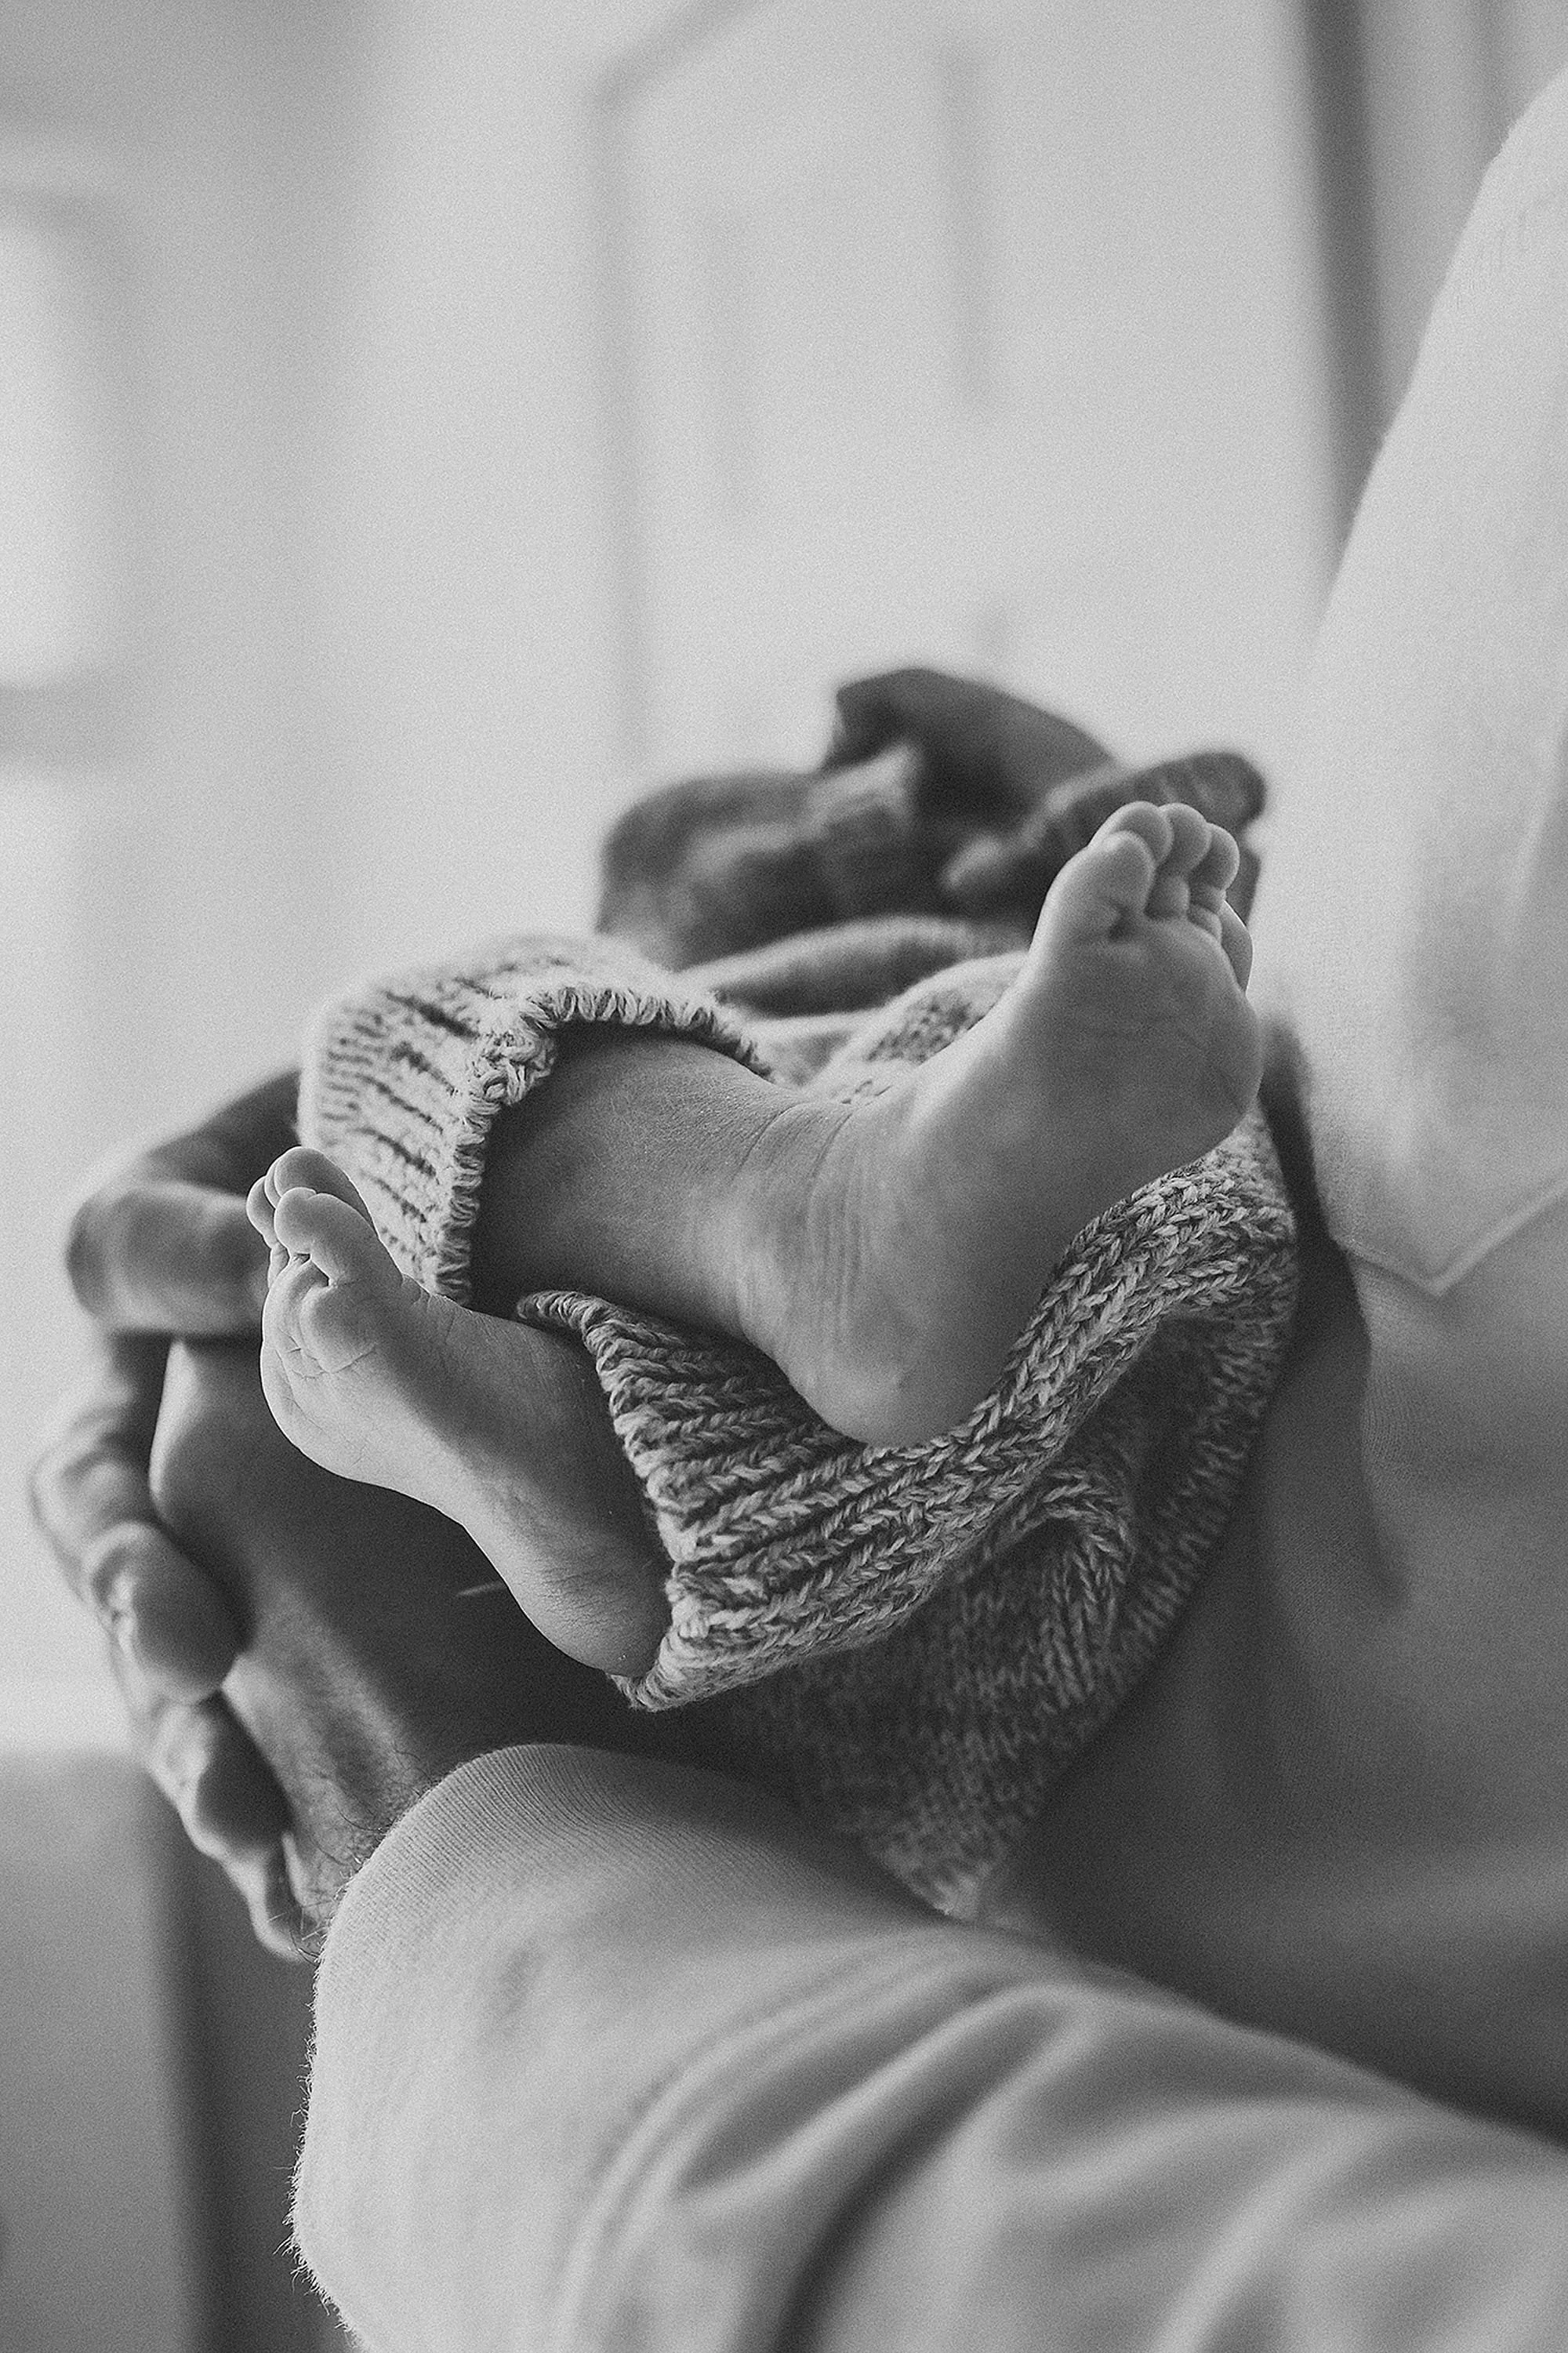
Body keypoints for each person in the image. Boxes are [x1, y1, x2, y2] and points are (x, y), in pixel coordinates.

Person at [32, 52, 1568, 2348]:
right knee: (1016, 1192)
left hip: (922, 1694)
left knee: (407, 1041)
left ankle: (720, 1309)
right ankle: (621, 1417)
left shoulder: (991, 1003)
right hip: (970, 1589)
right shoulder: (1096, 1051)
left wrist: (457, 1828)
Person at [245, 797, 1259, 1681]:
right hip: (1066, 1567)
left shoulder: (948, 985)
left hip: (821, 1677)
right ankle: (647, 1400)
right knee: (1120, 1186)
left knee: (400, 1024)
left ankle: (615, 1424)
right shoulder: (1096, 1058)